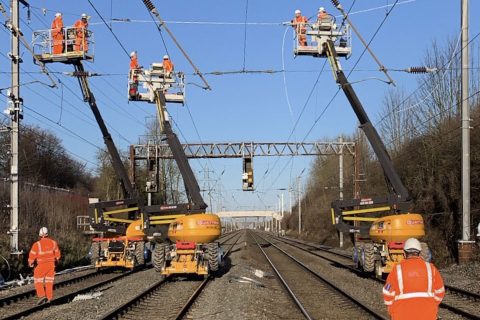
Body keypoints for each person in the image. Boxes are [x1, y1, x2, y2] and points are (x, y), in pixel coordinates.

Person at [383, 238, 444, 320]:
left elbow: (387, 292)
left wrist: (392, 310)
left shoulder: (397, 270)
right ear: (419, 253)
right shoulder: (431, 268)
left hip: (401, 316)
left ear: (404, 253)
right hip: (428, 316)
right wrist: (432, 304)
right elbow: (440, 291)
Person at [28, 227, 61, 305]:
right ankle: (49, 298)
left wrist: (31, 263)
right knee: (49, 282)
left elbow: (32, 255)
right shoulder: (54, 243)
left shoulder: (37, 244)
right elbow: (58, 255)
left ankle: (42, 295)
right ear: (47, 234)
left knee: (38, 280)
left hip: (41, 265)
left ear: (40, 235)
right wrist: (56, 262)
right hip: (51, 265)